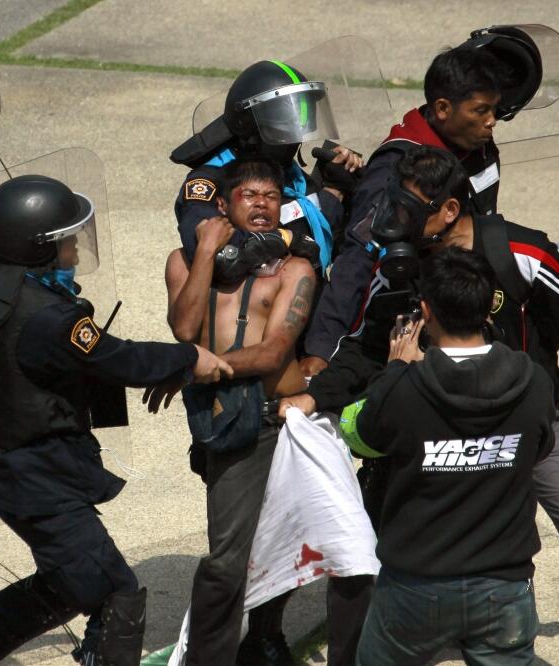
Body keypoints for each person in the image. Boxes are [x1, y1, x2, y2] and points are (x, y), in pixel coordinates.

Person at [285, 146, 559, 666]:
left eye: (411, 206)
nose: (395, 218)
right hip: (436, 428)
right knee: (376, 546)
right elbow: (362, 346)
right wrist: (316, 395)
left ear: (448, 210)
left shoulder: (522, 253)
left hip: (529, 423)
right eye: (395, 203)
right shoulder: (398, 267)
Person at [0, 174, 232, 666]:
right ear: (41, 250)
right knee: (114, 591)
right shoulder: (50, 317)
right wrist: (189, 358)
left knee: (70, 579)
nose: (76, 250)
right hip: (37, 473)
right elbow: (119, 360)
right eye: (67, 240)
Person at [339, 247, 556, 665]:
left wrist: (393, 371)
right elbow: (541, 448)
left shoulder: (402, 388)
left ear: (425, 310)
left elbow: (357, 437)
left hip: (413, 588)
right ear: (489, 308)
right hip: (504, 584)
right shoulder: (533, 381)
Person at [162, 158, 316, 665]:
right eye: (249, 195)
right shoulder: (183, 261)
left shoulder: (295, 269)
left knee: (299, 547)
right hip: (230, 418)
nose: (262, 205)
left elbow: (274, 354)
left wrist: (203, 367)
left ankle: (264, 639)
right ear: (223, 205)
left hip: (286, 421)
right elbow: (185, 330)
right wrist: (207, 248)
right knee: (228, 558)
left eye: (271, 197)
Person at [306, 36, 519, 371]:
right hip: (407, 329)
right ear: (443, 109)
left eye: (494, 109)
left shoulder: (479, 149)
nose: (492, 121)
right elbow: (358, 260)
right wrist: (321, 353)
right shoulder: (397, 168)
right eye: (480, 111)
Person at [171, 59, 361, 300]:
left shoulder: (290, 175)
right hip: (250, 320)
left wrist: (335, 187)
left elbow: (316, 236)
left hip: (307, 303)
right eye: (284, 132)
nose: (293, 142)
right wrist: (284, 239)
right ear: (250, 128)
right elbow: (221, 257)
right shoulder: (210, 182)